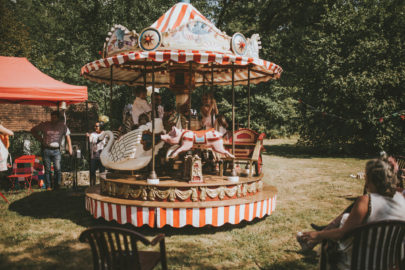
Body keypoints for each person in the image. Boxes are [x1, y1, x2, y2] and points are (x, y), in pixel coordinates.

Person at [297, 155, 405, 269]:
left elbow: (341, 234)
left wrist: (317, 235)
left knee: (328, 247)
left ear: (370, 179)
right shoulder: (402, 201)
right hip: (389, 264)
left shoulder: (366, 201)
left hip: (359, 264)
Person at [31, 111, 72, 190]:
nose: (53, 119)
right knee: (48, 169)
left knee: (58, 168)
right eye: (52, 117)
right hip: (46, 149)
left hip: (56, 151)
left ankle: (57, 186)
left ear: (58, 118)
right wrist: (40, 139)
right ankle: (48, 186)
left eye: (54, 117)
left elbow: (68, 136)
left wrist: (70, 147)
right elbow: (33, 130)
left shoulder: (63, 126)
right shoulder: (45, 125)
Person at [86, 122, 106, 186]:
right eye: (95, 126)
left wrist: (93, 137)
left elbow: (103, 141)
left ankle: (103, 186)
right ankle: (92, 186)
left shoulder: (105, 134)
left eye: (97, 126)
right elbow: (91, 140)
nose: (95, 127)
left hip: (101, 156)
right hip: (94, 156)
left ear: (101, 127)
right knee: (92, 172)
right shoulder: (93, 134)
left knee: (102, 172)